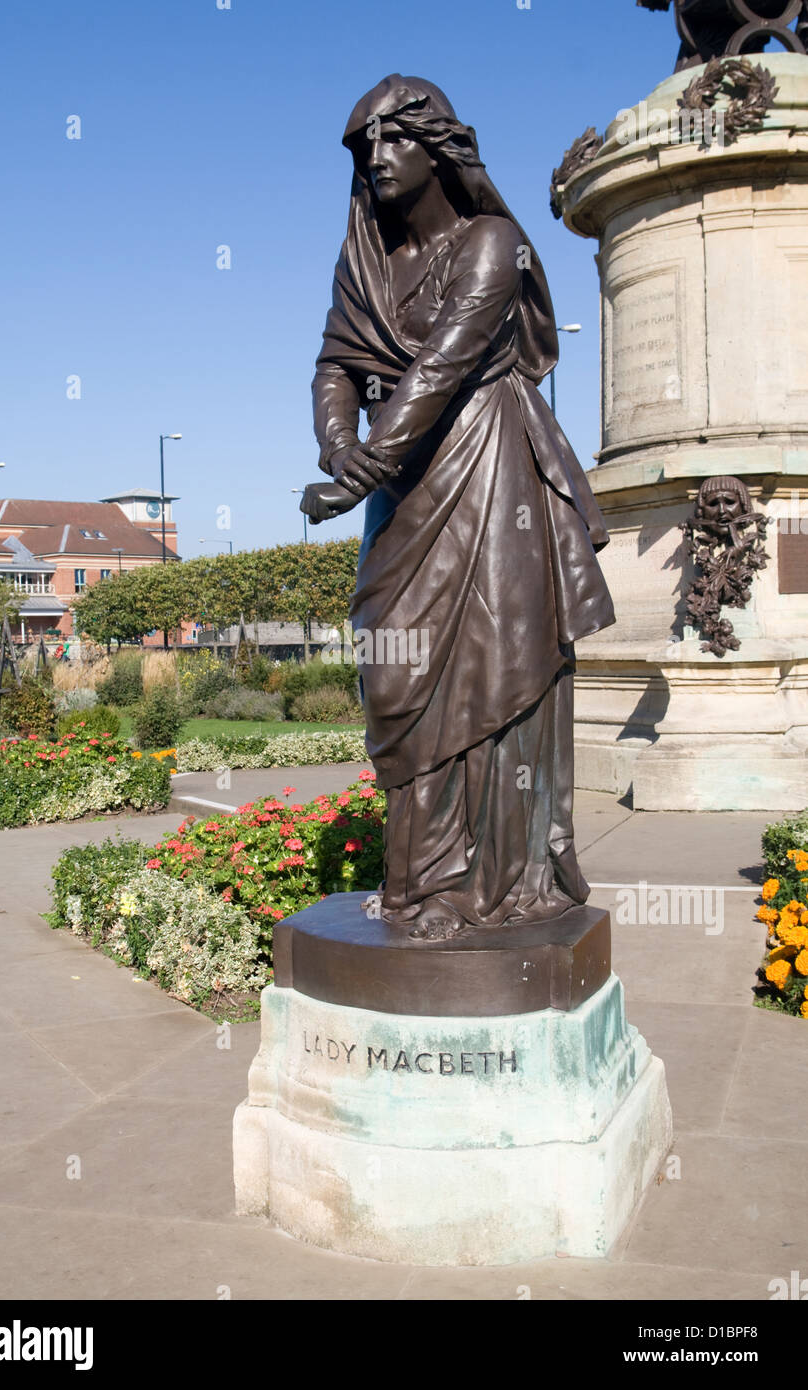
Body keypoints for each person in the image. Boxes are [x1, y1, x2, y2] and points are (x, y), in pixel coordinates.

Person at [300, 75, 615, 939]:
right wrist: (341, 448)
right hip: (402, 491)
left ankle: (481, 884)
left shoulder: (494, 241)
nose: (378, 159)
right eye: (364, 146)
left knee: (488, 669)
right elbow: (335, 363)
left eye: (395, 140)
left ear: (439, 149)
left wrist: (363, 468)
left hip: (489, 472)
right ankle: (423, 875)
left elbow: (444, 365)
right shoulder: (367, 260)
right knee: (396, 671)